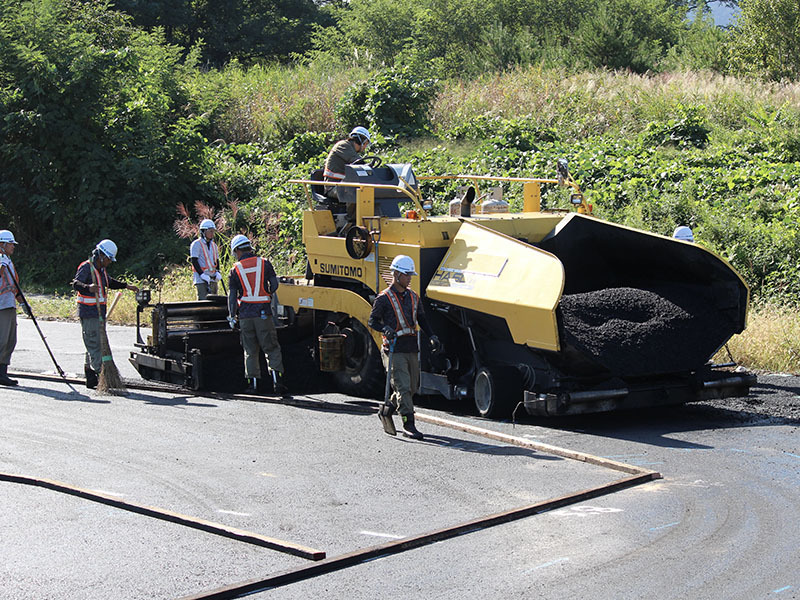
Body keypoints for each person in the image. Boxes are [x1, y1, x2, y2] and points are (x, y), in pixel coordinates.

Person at [368, 255, 439, 440]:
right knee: (404, 387)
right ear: (396, 274)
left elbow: (422, 319)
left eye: (410, 275)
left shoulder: (413, 297)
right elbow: (372, 321)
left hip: (411, 348)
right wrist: (385, 328)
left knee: (412, 387)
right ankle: (409, 424)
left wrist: (432, 336)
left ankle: (388, 409)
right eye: (406, 275)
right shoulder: (383, 299)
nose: (409, 278)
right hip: (393, 350)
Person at [72, 239, 139, 389]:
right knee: (94, 344)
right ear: (101, 256)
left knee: (93, 343)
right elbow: (76, 283)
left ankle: (91, 377)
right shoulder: (86, 267)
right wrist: (88, 287)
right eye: (108, 259)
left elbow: (109, 282)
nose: (109, 262)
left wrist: (126, 286)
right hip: (89, 313)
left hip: (98, 313)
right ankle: (103, 376)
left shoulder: (101, 270)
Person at [226, 234, 287, 394]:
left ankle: (253, 385)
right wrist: (266, 294)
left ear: (237, 250)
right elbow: (274, 285)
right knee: (271, 348)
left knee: (250, 350)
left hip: (245, 316)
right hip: (263, 314)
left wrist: (232, 316)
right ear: (249, 248)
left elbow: (232, 298)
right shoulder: (264, 263)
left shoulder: (235, 269)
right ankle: (277, 382)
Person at [0, 230, 24, 386]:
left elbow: (13, 285)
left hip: (9, 304)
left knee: (10, 340)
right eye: (10, 244)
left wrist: (22, 303)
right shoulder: (2, 261)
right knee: (2, 340)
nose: (13, 247)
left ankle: (3, 372)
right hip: (1, 306)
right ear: (2, 244)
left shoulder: (7, 260)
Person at [190, 219, 222, 300]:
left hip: (213, 278)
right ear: (203, 231)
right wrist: (201, 274)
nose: (212, 233)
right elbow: (194, 260)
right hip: (202, 279)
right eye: (210, 231)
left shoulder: (214, 245)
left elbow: (217, 260)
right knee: (203, 301)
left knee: (214, 301)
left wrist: (218, 272)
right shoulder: (196, 244)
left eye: (213, 231)